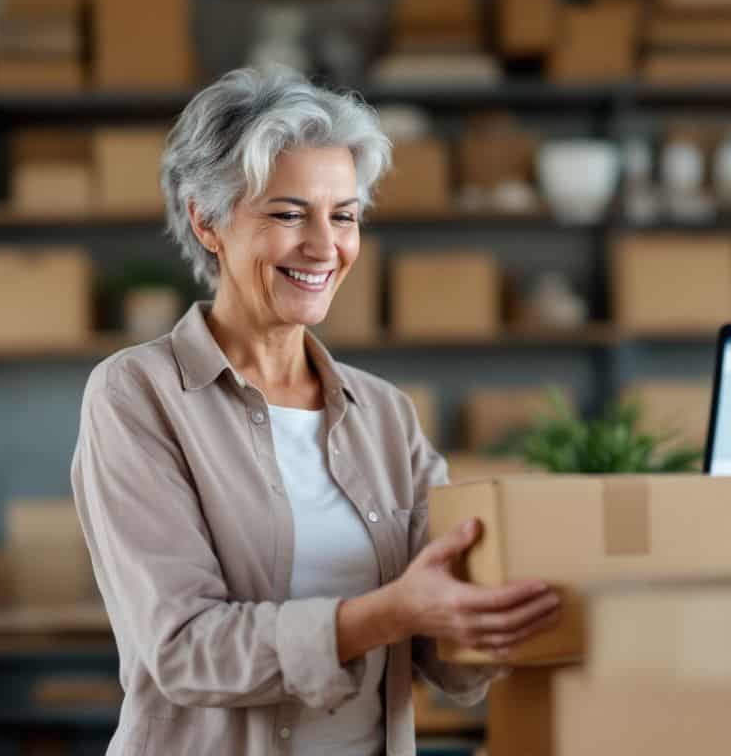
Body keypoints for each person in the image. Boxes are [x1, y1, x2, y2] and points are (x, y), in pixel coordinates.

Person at [70, 67, 560, 754]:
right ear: (206, 221)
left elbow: (446, 661)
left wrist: (508, 612)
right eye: (288, 213)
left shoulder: (384, 415)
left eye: (345, 215)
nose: (325, 246)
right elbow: (182, 649)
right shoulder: (137, 395)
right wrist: (388, 613)